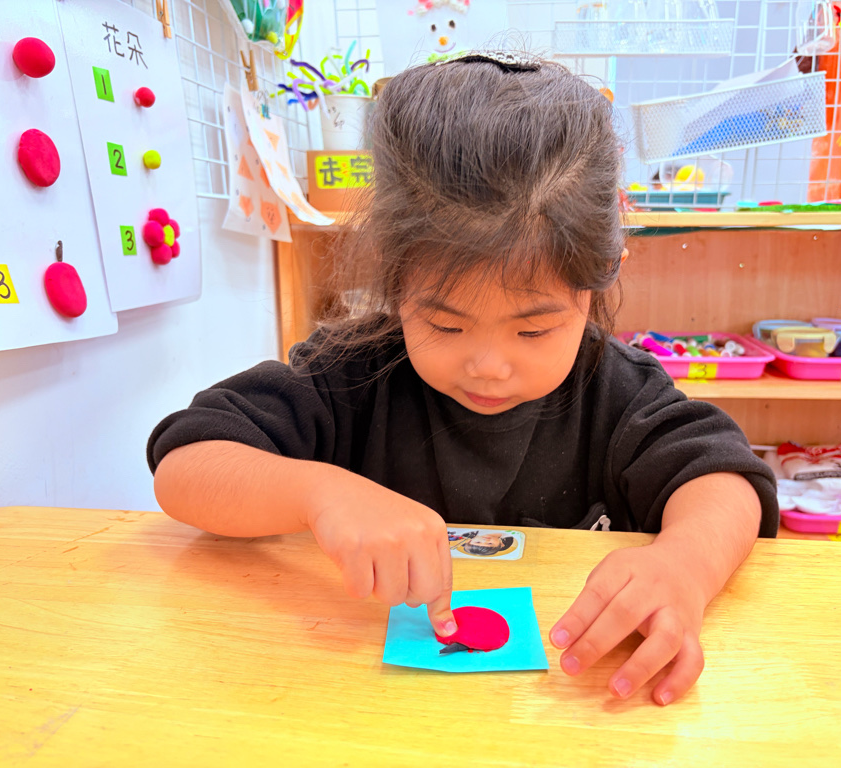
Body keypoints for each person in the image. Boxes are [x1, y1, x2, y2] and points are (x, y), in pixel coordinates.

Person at [148, 51, 778, 706]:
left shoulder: (615, 392)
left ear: (600, 277)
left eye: (532, 330)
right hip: (366, 704)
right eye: (445, 325)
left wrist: (685, 565)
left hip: (561, 710)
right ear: (395, 278)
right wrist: (318, 493)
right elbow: (185, 465)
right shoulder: (349, 374)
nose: (489, 365)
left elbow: (727, 482)